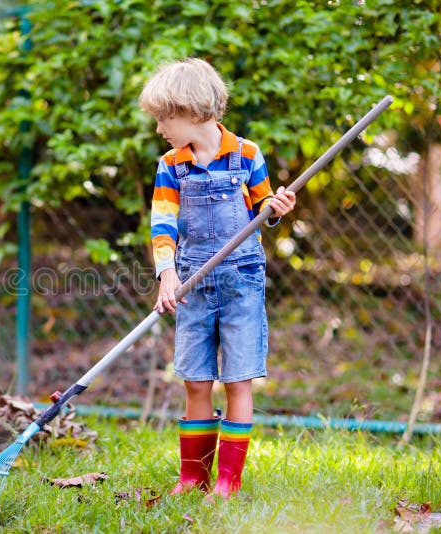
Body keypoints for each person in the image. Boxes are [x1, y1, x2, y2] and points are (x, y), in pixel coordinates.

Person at [139, 58, 296, 499]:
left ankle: (227, 483)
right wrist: (166, 274)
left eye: (164, 119)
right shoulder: (171, 165)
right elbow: (163, 224)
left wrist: (277, 207)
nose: (159, 129)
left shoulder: (248, 155)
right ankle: (193, 478)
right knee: (194, 378)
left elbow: (264, 207)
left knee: (237, 379)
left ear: (192, 111)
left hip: (241, 280)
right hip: (192, 283)